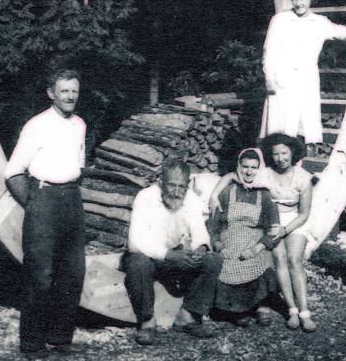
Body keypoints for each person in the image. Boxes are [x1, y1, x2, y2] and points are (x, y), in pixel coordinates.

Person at [3, 69, 87, 357]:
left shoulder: (79, 125)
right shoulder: (36, 125)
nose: (70, 96)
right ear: (51, 93)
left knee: (73, 274)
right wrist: (36, 204)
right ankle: (32, 343)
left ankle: (60, 337)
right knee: (40, 276)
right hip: (43, 198)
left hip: (72, 199)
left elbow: (79, 165)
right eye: (64, 91)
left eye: (74, 90)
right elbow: (13, 172)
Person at [209, 133, 316, 332]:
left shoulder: (303, 177)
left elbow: (305, 213)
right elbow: (234, 174)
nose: (280, 158)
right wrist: (215, 194)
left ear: (292, 153)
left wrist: (286, 229)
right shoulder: (264, 173)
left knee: (294, 259)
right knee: (278, 258)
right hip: (273, 220)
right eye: (275, 154)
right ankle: (292, 311)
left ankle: (305, 312)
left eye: (284, 153)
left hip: (295, 221)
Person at [124, 159, 222, 346]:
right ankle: (147, 322)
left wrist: (200, 248)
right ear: (161, 183)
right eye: (172, 185)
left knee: (213, 260)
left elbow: (199, 232)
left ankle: (188, 316)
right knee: (138, 262)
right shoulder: (145, 197)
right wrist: (168, 255)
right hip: (148, 256)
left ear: (187, 185)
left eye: (181, 187)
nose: (177, 192)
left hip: (174, 256)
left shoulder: (191, 199)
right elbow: (135, 243)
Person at [260, 0, 346, 145]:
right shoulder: (280, 20)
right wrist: (269, 78)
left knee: (301, 126)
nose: (298, 3)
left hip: (306, 79)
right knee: (279, 127)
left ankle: (297, 165)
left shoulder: (319, 22)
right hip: (282, 79)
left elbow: (340, 31)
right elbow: (268, 51)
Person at [208, 148, 280, 326]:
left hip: (255, 242)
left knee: (259, 262)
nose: (249, 172)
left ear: (260, 169)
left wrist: (257, 247)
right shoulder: (227, 192)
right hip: (229, 241)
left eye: (254, 167)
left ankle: (261, 305)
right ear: (238, 167)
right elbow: (213, 226)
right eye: (245, 166)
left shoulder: (265, 194)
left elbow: (274, 229)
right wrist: (218, 246)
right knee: (228, 265)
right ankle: (239, 309)